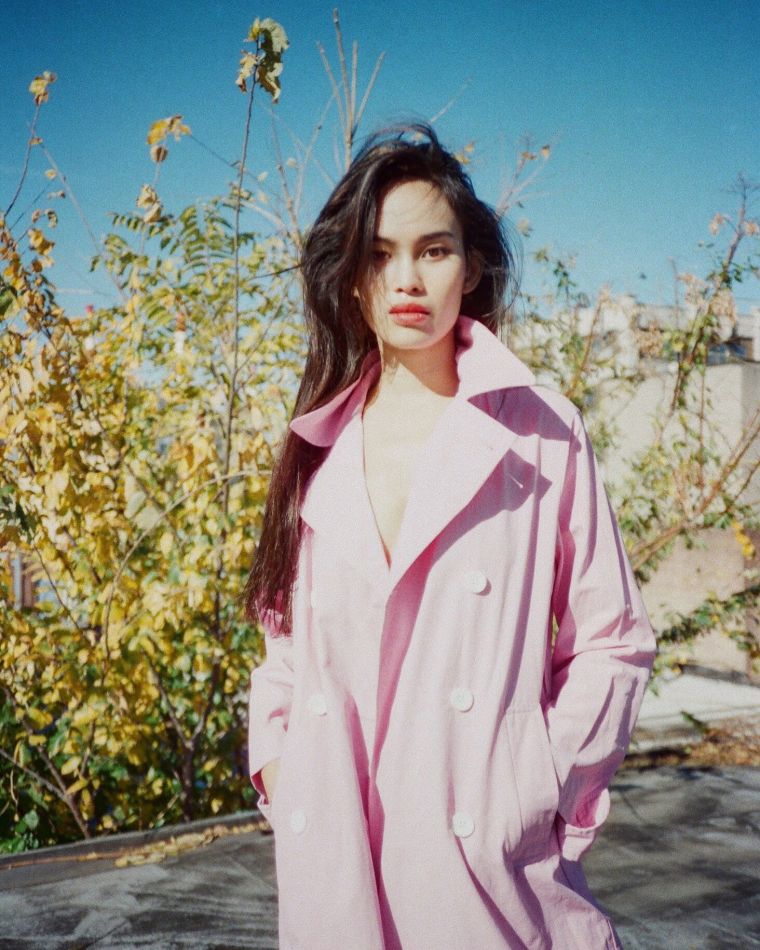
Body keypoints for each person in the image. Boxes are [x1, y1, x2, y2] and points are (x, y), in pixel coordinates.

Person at [244, 123, 656, 950]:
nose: (406, 279)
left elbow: (611, 640)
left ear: (469, 268)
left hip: (482, 859)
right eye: (378, 254)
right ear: (349, 276)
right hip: (335, 856)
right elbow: (285, 652)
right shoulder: (315, 445)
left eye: (433, 251)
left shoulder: (541, 433)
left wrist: (534, 782)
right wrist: (284, 775)